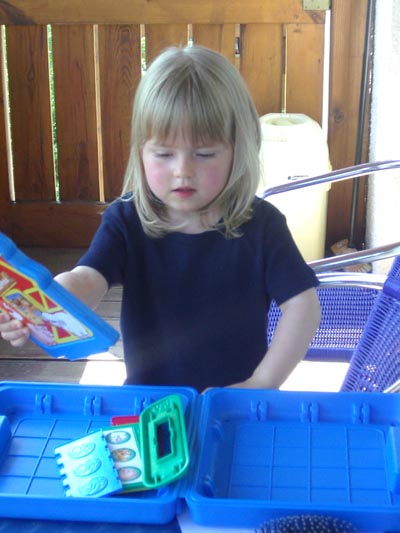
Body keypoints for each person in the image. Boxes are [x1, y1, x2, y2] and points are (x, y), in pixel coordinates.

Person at [0, 45, 321, 392]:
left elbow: (303, 306)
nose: (183, 170)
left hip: (233, 403)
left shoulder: (263, 226)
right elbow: (87, 279)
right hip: (149, 405)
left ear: (237, 150)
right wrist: (41, 304)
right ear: (141, 151)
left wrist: (262, 382)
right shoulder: (126, 220)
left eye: (204, 154)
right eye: (164, 153)